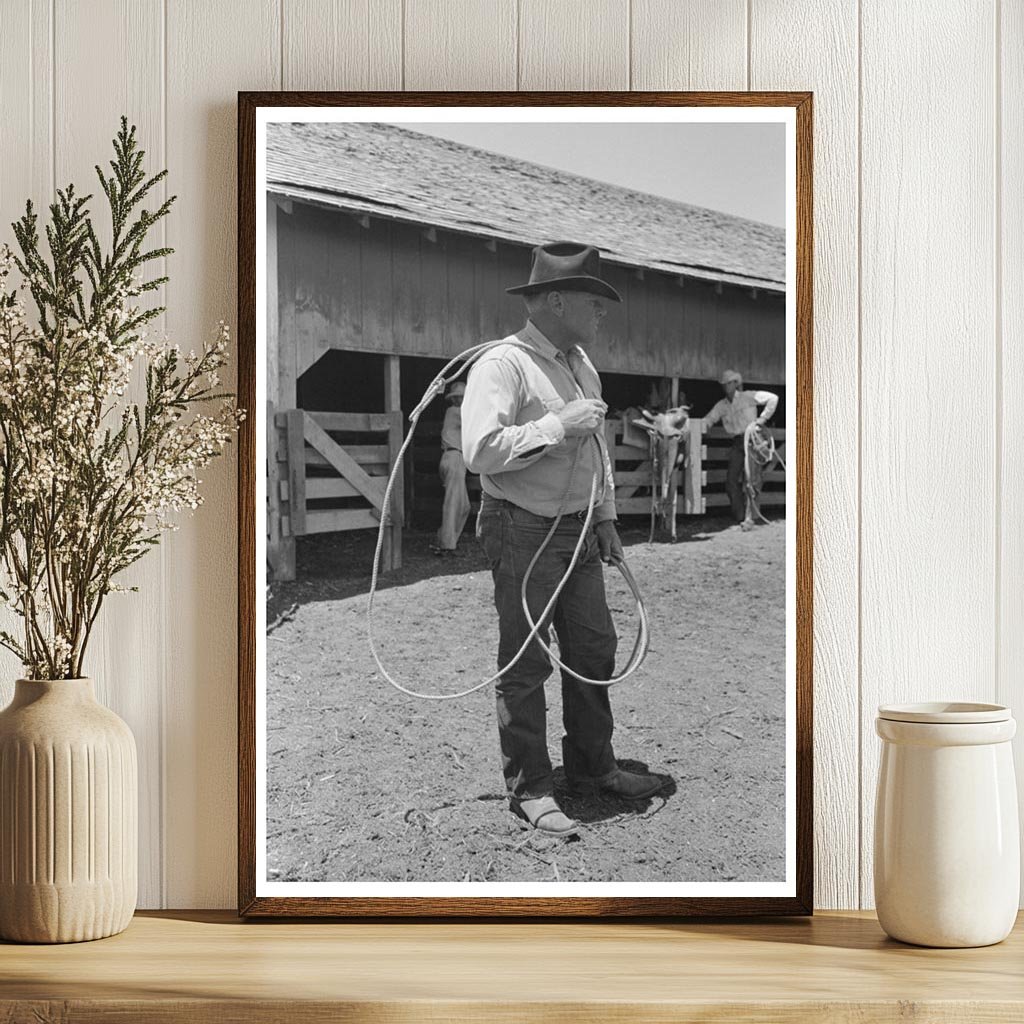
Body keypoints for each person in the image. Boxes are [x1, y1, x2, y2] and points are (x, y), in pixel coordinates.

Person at [461, 240, 664, 837]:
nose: (602, 315)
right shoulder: (503, 364)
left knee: (593, 649)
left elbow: (595, 450)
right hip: (520, 525)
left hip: (577, 531)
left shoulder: (580, 365)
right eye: (593, 303)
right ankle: (530, 787)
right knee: (525, 662)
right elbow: (479, 451)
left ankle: (594, 769)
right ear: (554, 301)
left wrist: (604, 517)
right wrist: (555, 425)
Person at [702, 370, 779, 528]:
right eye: (724, 384)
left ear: (735, 384)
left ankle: (751, 516)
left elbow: (773, 398)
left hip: (752, 439)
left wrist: (762, 419)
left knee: (752, 479)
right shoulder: (721, 406)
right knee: (731, 480)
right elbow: (709, 419)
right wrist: (696, 427)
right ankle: (740, 515)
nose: (727, 386)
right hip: (738, 442)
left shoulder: (748, 396)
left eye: (729, 383)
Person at [432, 380, 471, 556]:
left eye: (461, 397)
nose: (459, 400)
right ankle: (447, 544)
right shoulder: (455, 412)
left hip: (455, 458)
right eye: (457, 398)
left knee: (463, 505)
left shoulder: (457, 413)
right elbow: (476, 420)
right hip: (454, 457)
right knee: (455, 503)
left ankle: (443, 539)